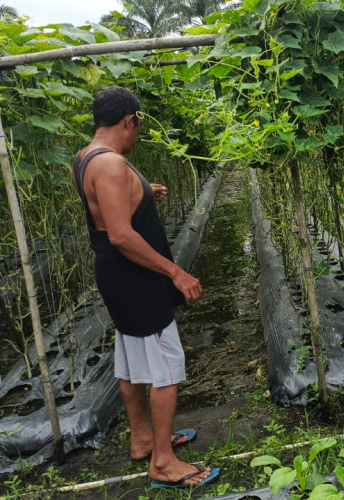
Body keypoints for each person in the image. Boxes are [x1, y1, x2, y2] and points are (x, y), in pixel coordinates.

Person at [72, 87, 219, 488]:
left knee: (131, 354)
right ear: (128, 121)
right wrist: (175, 272)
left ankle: (142, 439)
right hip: (135, 277)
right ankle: (163, 463)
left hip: (116, 277)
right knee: (166, 364)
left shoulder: (86, 158)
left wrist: (142, 192)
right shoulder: (113, 167)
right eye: (139, 127)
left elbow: (106, 207)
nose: (138, 135)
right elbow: (121, 235)